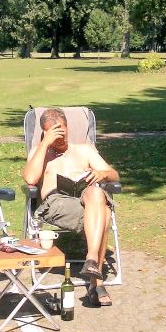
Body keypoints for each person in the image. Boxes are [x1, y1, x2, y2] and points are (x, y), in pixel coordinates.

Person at [22, 107, 119, 307]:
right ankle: (96, 283)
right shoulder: (40, 152)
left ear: (67, 128)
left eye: (62, 132)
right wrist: (44, 144)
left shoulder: (84, 149)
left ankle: (91, 259)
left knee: (97, 194)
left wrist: (103, 174)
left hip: (85, 197)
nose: (60, 138)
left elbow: (114, 175)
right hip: (56, 202)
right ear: (45, 133)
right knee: (105, 213)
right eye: (54, 134)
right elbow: (30, 178)